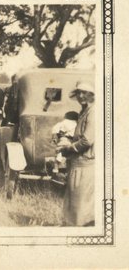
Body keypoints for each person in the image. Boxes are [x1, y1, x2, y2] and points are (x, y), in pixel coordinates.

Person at [57, 81, 95, 226]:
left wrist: (69, 148)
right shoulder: (84, 111)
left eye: (84, 93)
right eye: (78, 93)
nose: (81, 96)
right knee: (73, 202)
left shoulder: (93, 112)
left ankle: (79, 230)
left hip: (86, 164)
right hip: (78, 162)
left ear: (91, 95)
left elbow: (87, 140)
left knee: (81, 205)